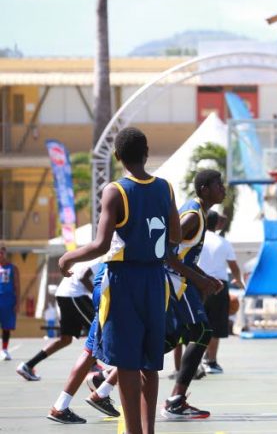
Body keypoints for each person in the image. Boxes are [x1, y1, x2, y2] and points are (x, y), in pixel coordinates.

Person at [57, 126, 186, 434]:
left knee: (127, 361)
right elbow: (176, 236)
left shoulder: (116, 190)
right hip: (156, 281)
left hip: (124, 279)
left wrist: (68, 257)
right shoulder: (165, 188)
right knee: (150, 362)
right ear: (147, 152)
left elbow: (101, 245)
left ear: (116, 156)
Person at [162, 169, 226, 420]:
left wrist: (206, 278)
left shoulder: (199, 213)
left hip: (177, 278)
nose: (223, 188)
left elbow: (184, 256)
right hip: (172, 280)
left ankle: (106, 382)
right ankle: (176, 400)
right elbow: (166, 253)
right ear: (204, 190)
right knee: (201, 332)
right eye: (218, 185)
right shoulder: (192, 216)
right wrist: (198, 279)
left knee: (173, 337)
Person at [46, 261, 121, 423]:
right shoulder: (113, 246)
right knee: (133, 352)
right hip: (113, 293)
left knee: (132, 351)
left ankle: (100, 387)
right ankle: (99, 389)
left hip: (116, 292)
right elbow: (98, 248)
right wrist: (67, 258)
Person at [18, 256, 104, 381]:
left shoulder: (101, 258)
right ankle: (92, 367)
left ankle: (28, 365)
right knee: (98, 329)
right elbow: (84, 276)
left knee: (65, 339)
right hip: (73, 294)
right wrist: (96, 294)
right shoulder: (103, 260)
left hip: (66, 294)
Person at [198, 207, 245, 374]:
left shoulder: (197, 240)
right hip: (219, 285)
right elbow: (234, 266)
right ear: (217, 223)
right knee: (215, 327)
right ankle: (211, 361)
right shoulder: (223, 242)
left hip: (199, 283)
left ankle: (196, 360)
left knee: (198, 324)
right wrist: (239, 281)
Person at [0, 244, 20, 361]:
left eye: (1, 253)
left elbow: (17, 285)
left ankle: (5, 350)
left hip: (8, 301)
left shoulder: (13, 268)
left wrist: (17, 302)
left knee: (6, 327)